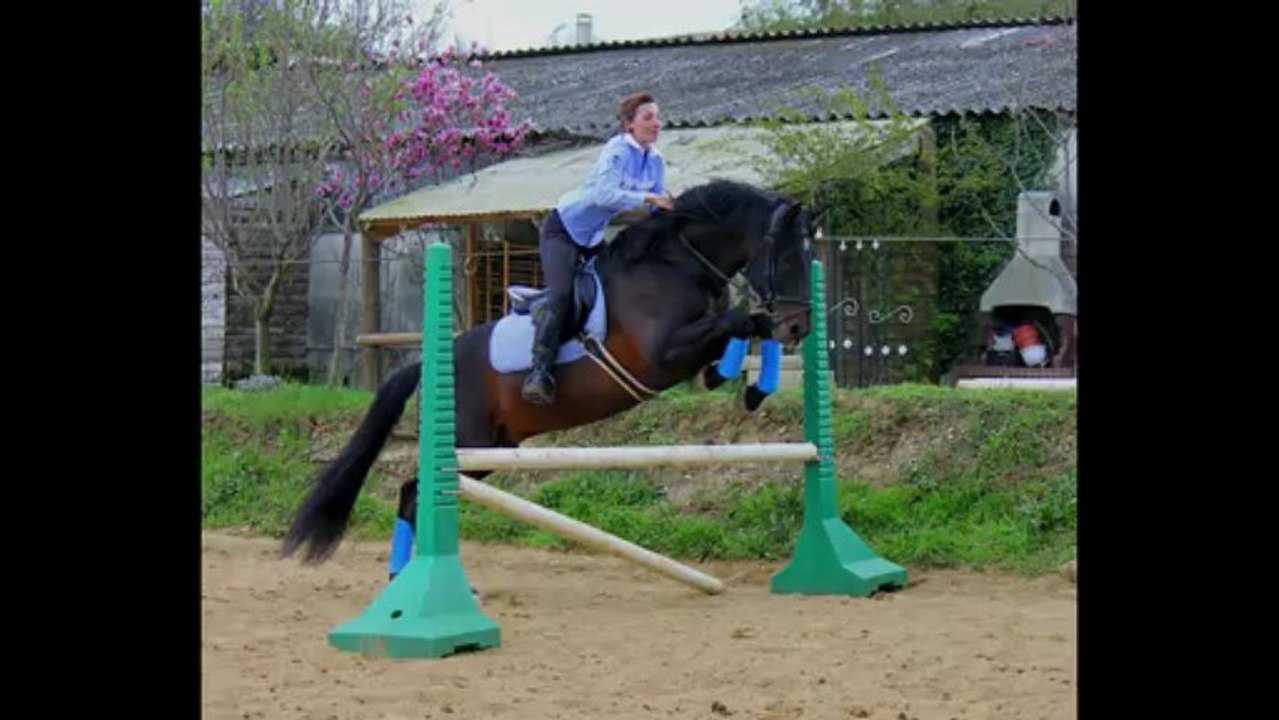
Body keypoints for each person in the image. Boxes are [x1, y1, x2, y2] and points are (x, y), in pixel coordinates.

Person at [521, 91, 674, 405]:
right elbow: (605, 195)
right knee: (562, 295)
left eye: (658, 117)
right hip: (562, 231)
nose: (656, 123)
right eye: (648, 117)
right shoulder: (616, 149)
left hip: (591, 239)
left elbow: (659, 207)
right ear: (629, 125)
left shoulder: (655, 159)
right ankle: (539, 373)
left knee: (619, 289)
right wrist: (647, 199)